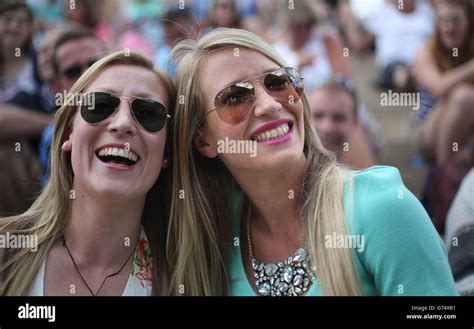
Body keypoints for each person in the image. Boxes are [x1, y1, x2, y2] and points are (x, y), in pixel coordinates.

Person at [169, 27, 458, 296]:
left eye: (278, 82)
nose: (270, 104)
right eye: (234, 97)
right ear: (203, 140)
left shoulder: (380, 209)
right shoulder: (211, 243)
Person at [0, 51, 175, 296]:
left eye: (148, 113)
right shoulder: (5, 251)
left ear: (167, 150)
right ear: (68, 134)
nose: (123, 123)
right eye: (100, 106)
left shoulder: (185, 275)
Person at [307, 76, 378, 168]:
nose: (327, 128)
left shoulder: (362, 180)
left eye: (338, 118)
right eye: (318, 115)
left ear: (355, 123)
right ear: (303, 116)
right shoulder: (286, 176)